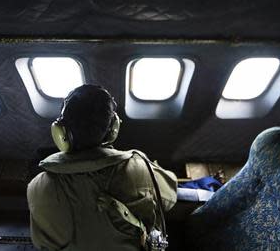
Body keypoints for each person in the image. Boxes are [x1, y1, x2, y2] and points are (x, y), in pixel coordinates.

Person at [27, 85, 177, 251]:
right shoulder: (140, 169)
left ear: (60, 132)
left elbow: (43, 244)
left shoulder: (38, 187)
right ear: (114, 129)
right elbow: (170, 196)